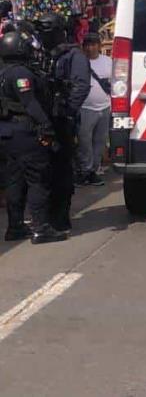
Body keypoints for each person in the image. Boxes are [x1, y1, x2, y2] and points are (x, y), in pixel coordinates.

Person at [1, 29, 67, 244]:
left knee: (14, 181)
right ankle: (40, 227)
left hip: (7, 132)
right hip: (25, 131)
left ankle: (15, 226)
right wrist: (47, 127)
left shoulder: (3, 72)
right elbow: (30, 104)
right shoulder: (21, 74)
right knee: (38, 179)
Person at [34, 14, 90, 233]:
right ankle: (43, 217)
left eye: (47, 30)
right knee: (41, 171)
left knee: (62, 171)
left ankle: (60, 218)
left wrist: (66, 112)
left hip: (62, 121)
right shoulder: (42, 55)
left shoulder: (73, 55)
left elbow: (81, 86)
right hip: (42, 120)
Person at [76, 32, 110, 187]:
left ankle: (93, 171)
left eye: (93, 44)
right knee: (84, 142)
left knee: (100, 141)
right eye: (87, 45)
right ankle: (85, 171)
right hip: (85, 108)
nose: (90, 48)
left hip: (105, 107)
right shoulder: (79, 62)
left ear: (99, 46)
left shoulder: (108, 61)